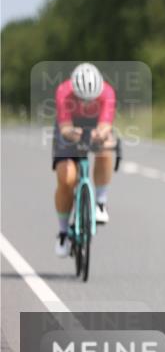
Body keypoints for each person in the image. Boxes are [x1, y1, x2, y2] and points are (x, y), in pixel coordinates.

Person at [52, 63, 117, 257]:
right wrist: (74, 135)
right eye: (83, 99)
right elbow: (64, 128)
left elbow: (106, 125)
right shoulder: (63, 91)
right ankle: (63, 232)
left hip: (95, 124)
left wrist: (99, 135)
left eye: (92, 99)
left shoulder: (107, 92)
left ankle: (100, 203)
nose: (87, 103)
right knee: (67, 179)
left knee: (107, 148)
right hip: (70, 127)